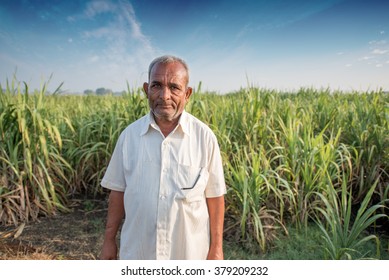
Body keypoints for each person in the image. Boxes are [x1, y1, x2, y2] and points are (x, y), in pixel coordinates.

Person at [99, 55, 226, 260]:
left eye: (174, 87)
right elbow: (117, 193)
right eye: (157, 85)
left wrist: (217, 248)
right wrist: (109, 240)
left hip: (188, 255)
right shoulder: (129, 137)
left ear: (188, 93)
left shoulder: (204, 138)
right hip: (138, 254)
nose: (165, 95)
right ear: (146, 89)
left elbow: (215, 197)